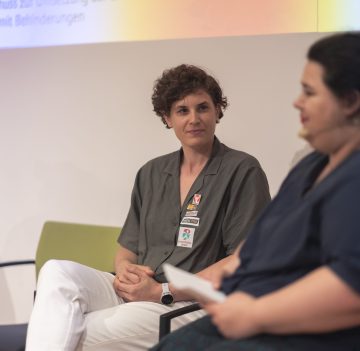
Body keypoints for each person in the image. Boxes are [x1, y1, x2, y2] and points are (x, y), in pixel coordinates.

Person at [25, 64, 270, 351]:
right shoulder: (151, 172)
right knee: (56, 272)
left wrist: (162, 291)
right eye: (182, 110)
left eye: (203, 107)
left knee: (74, 329)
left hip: (191, 303)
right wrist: (125, 269)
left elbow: (241, 261)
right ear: (167, 118)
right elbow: (127, 249)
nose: (194, 119)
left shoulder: (241, 170)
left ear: (217, 110)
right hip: (139, 291)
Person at [151, 32, 360, 351]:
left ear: (350, 101)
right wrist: (224, 277)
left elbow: (350, 288)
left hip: (303, 330)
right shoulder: (310, 165)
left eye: (309, 92)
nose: (297, 102)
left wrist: (256, 315)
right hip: (245, 310)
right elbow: (261, 240)